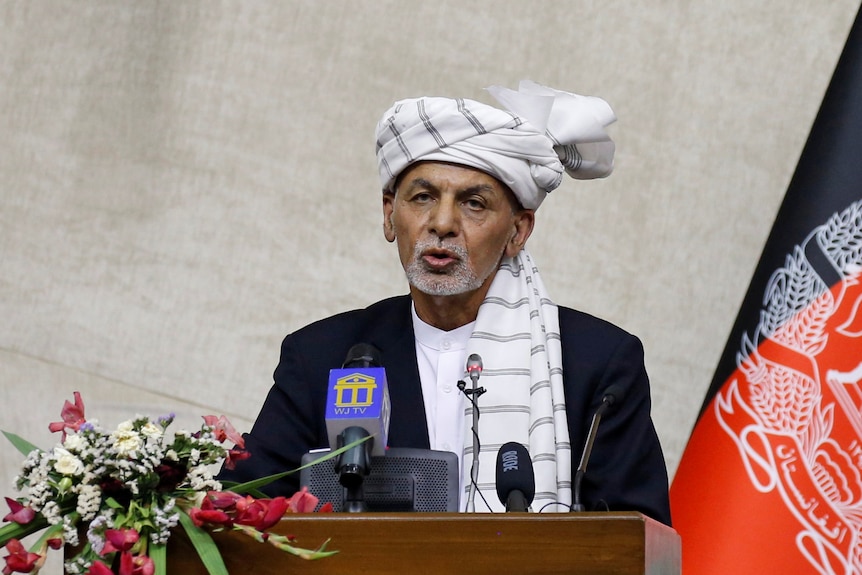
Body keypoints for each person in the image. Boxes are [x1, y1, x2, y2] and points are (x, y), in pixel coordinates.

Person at [219, 81, 671, 525]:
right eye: (423, 197)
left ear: (518, 230)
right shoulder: (323, 356)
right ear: (389, 215)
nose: (442, 223)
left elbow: (640, 540)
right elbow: (240, 512)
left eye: (474, 203)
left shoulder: (597, 364)